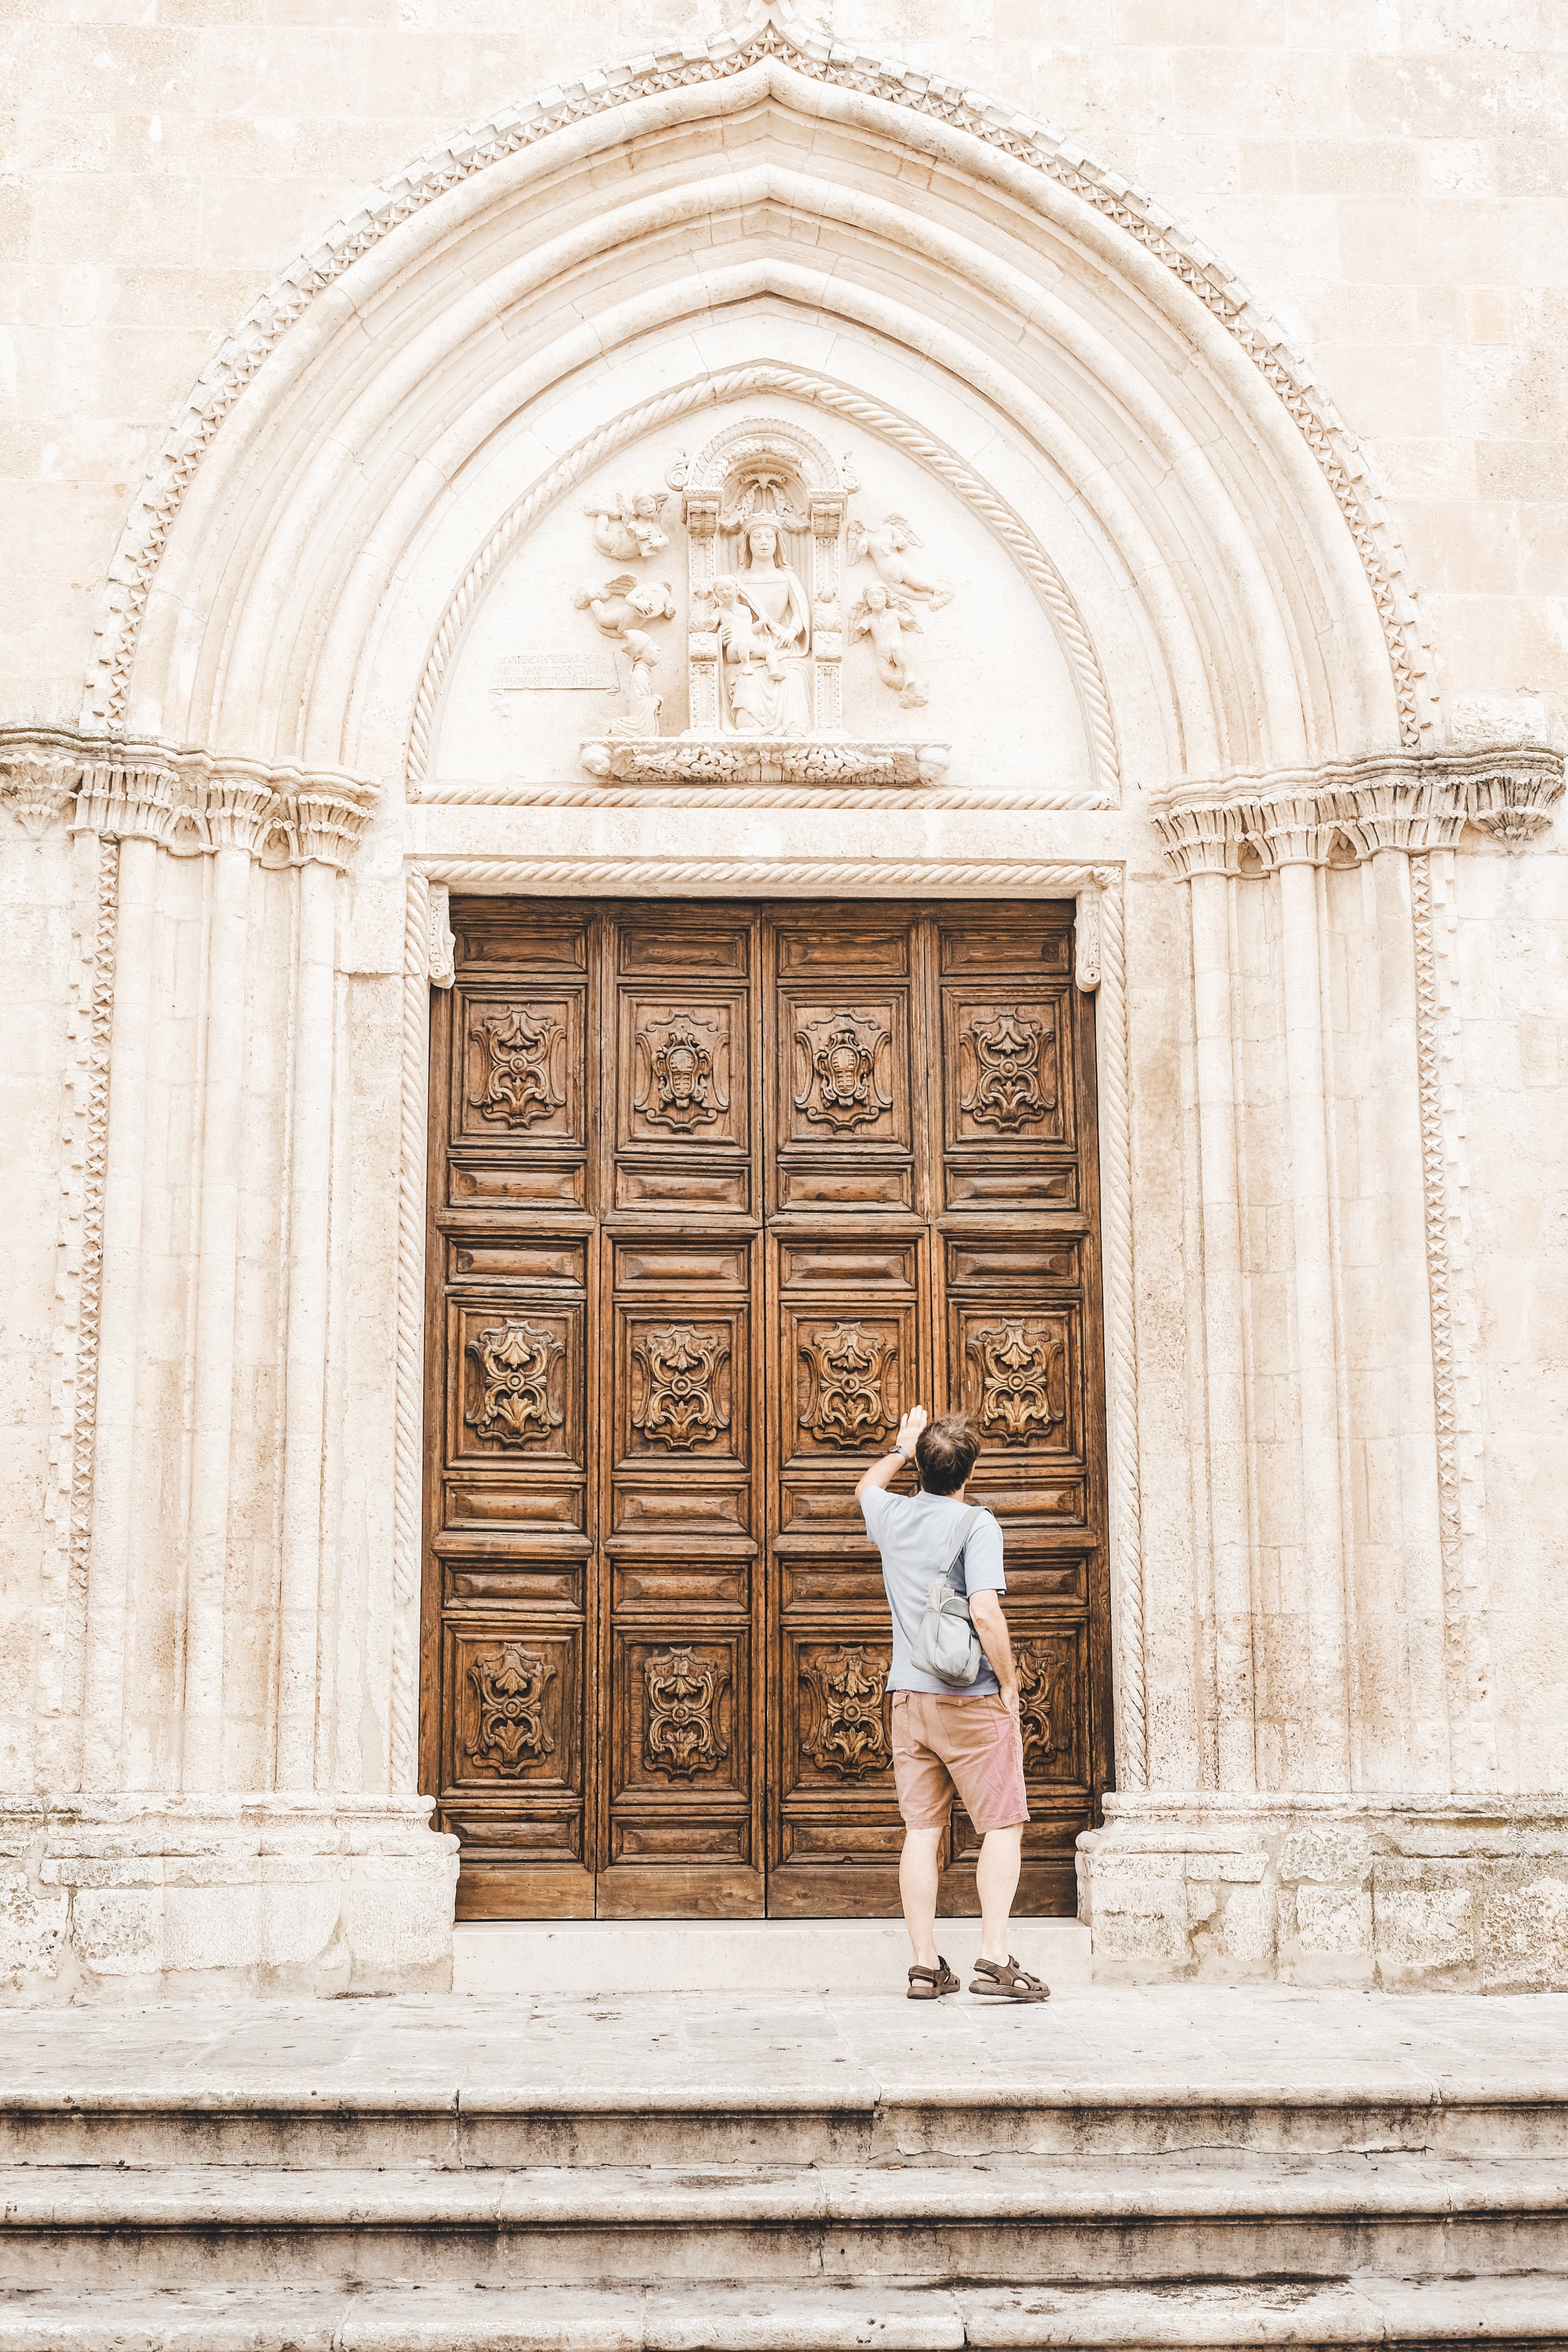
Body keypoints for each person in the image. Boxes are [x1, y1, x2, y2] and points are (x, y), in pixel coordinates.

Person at [856, 1404, 1049, 2003]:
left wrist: (900, 1445)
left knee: (922, 1830)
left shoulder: (891, 1514)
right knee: (1003, 1824)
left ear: (920, 1468)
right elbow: (986, 1611)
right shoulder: (977, 1525)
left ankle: (923, 1965)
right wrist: (1011, 1683)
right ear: (967, 1473)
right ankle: (993, 1957)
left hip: (909, 1698)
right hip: (969, 1699)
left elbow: (866, 1485)